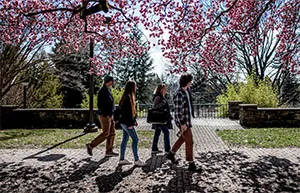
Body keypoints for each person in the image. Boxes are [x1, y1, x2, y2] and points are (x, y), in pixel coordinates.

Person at [166, 74, 201, 172]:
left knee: (182, 138)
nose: (191, 83)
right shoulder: (179, 94)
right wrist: (182, 124)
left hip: (187, 120)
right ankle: (191, 164)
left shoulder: (187, 90)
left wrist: (203, 78)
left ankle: (171, 154)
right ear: (187, 82)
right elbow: (177, 111)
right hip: (182, 121)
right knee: (189, 141)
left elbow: (196, 86)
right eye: (190, 81)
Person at [86, 75, 119, 157]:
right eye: (112, 81)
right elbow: (100, 105)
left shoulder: (108, 90)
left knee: (112, 133)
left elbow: (110, 103)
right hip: (105, 116)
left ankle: (109, 150)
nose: (113, 82)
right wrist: (106, 114)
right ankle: (91, 145)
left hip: (110, 115)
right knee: (105, 133)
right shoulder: (102, 91)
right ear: (108, 81)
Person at [118, 80, 146, 166]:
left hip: (124, 122)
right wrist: (130, 124)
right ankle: (136, 160)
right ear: (132, 87)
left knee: (125, 140)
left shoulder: (128, 96)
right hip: (127, 123)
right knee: (135, 139)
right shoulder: (127, 98)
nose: (136, 87)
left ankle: (122, 159)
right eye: (135, 86)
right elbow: (127, 113)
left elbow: (130, 112)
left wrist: (134, 121)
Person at [151, 84, 172, 154]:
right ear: (161, 89)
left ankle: (154, 149)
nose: (166, 90)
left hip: (161, 119)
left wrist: (170, 115)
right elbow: (154, 107)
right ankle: (167, 149)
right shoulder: (158, 97)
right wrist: (162, 103)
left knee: (157, 132)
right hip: (160, 119)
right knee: (166, 132)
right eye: (164, 88)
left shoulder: (161, 97)